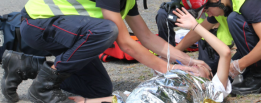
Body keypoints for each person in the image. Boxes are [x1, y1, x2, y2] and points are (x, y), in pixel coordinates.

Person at [1, 0, 210, 103]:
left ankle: (25, 66)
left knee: (99, 89)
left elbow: (146, 38)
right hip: (35, 24)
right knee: (107, 31)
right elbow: (126, 44)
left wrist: (188, 63)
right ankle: (42, 90)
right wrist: (169, 69)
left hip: (60, 31)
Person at [68, 7, 232, 103]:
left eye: (203, 67)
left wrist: (195, 25)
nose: (196, 65)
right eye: (196, 63)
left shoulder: (214, 88)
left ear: (211, 76)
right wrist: (86, 101)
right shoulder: (171, 73)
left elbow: (225, 52)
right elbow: (123, 97)